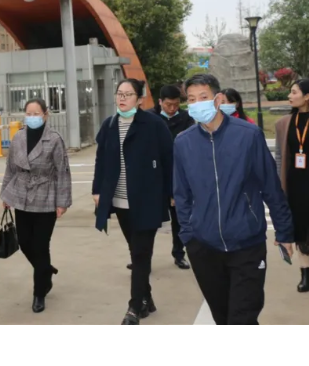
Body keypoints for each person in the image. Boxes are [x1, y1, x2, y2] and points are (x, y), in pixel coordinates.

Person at [174, 74, 295, 325]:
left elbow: (270, 187)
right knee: (222, 318)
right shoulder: (183, 142)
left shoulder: (248, 135)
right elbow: (181, 194)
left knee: (242, 319)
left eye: (203, 97)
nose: (196, 103)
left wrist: (284, 231)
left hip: (246, 244)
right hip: (204, 246)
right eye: (191, 99)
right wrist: (189, 235)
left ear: (218, 100)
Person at [93, 78, 174, 325]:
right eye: (119, 93)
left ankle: (134, 307)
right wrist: (97, 190)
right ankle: (147, 298)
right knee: (137, 251)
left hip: (146, 199)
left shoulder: (154, 124)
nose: (122, 98)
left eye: (128, 94)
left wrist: (172, 192)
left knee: (140, 253)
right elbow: (101, 160)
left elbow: (169, 159)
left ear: (139, 99)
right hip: (120, 201)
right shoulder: (109, 125)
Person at [0, 98, 71, 312]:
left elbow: (62, 171)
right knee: (24, 242)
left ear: (45, 115)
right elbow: (10, 168)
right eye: (28, 114)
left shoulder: (54, 139)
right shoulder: (18, 137)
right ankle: (45, 270)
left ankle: (39, 292)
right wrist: (6, 195)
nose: (32, 117)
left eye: (36, 113)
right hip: (21, 196)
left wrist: (62, 202)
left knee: (40, 246)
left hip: (45, 197)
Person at [275, 79, 309, 292]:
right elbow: (279, 156)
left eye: (294, 92)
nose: (289, 96)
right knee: (301, 228)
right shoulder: (284, 123)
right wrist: (279, 183)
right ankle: (306, 274)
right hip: (296, 184)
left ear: (307, 97)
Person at [153, 84, 195, 270]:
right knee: (149, 221)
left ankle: (179, 254)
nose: (172, 108)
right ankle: (142, 257)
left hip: (178, 175)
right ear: (160, 102)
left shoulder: (186, 119)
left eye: (176, 105)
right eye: (168, 104)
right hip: (155, 176)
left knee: (179, 219)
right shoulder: (150, 118)